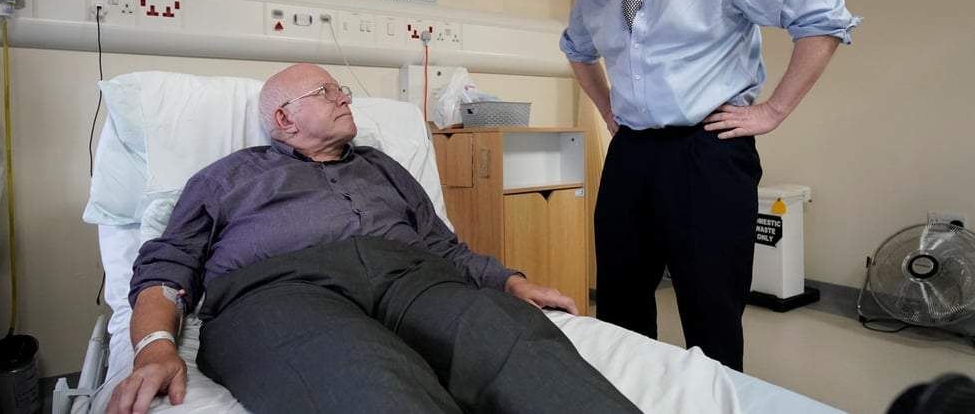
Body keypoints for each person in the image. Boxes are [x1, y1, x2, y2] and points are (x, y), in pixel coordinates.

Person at [107, 63, 642, 414]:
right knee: (362, 380)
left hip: (412, 279)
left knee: (509, 338)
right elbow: (166, 268)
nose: (345, 97)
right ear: (283, 118)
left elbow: (442, 246)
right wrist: (153, 347)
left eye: (342, 89)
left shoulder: (382, 167)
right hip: (282, 293)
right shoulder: (227, 177)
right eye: (327, 91)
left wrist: (511, 283)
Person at [560, 0, 861, 372]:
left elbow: (824, 18)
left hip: (707, 151)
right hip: (631, 155)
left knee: (710, 309)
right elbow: (577, 50)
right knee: (621, 299)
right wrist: (609, 111)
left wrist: (772, 111)